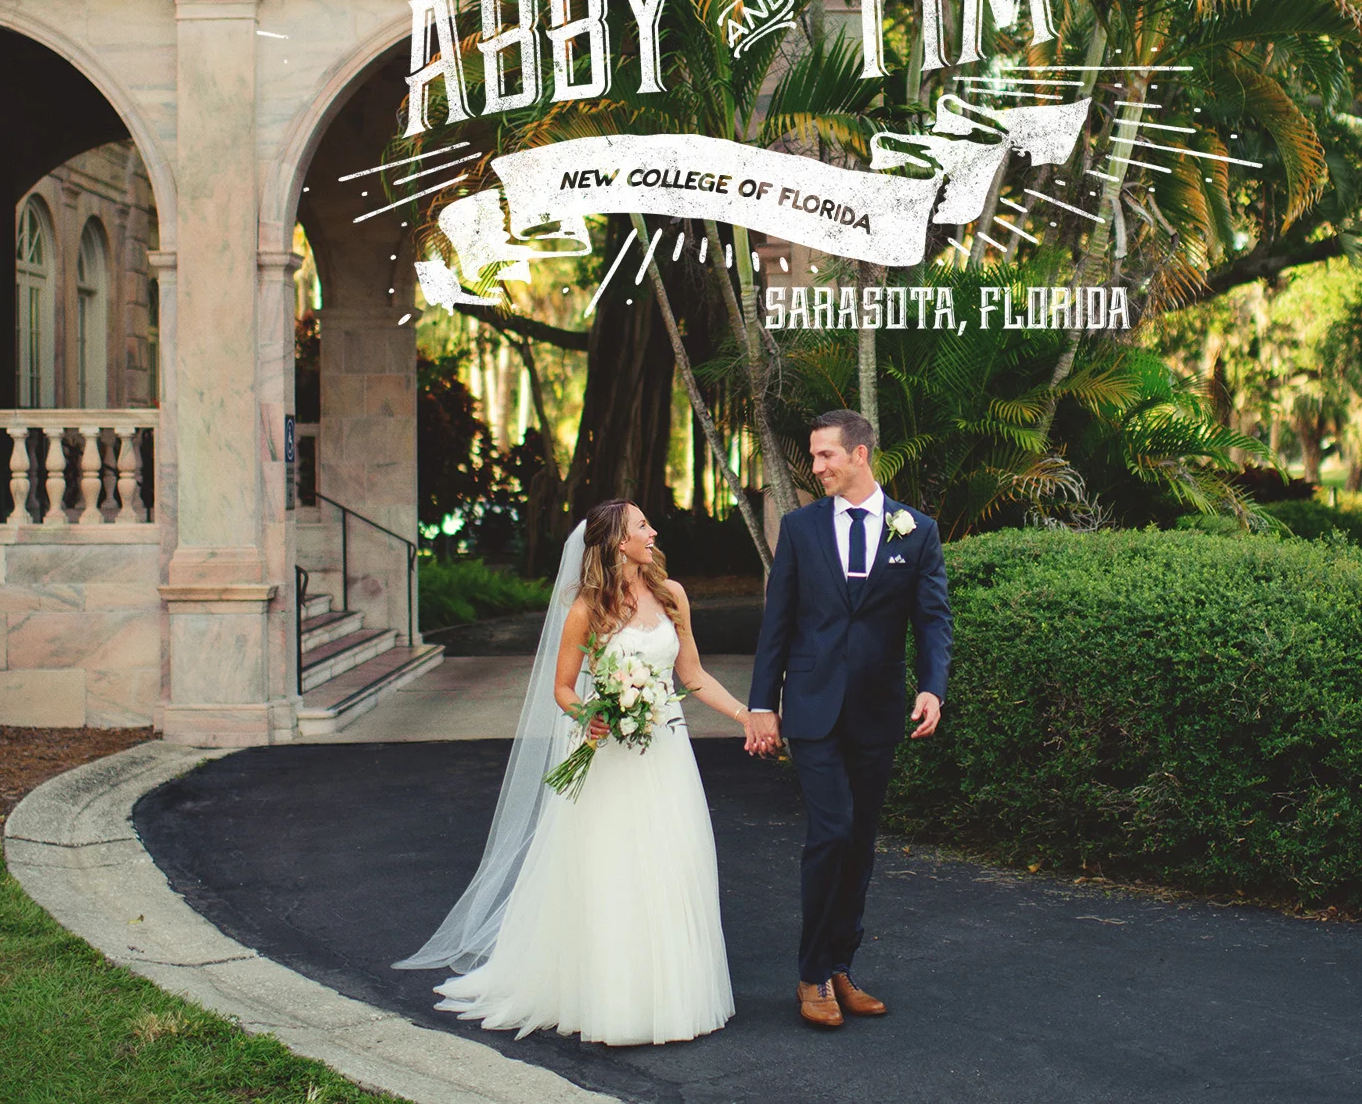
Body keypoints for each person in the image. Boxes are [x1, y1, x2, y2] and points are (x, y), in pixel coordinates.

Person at [394, 499, 755, 1046]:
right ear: (617, 543)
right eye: (642, 525)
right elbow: (563, 688)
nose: (653, 531)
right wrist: (593, 713)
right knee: (613, 871)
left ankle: (675, 994)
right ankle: (615, 999)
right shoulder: (587, 608)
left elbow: (694, 674)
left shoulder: (671, 594)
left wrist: (745, 716)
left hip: (666, 754)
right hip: (608, 758)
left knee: (673, 861)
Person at [745, 408, 954, 1029]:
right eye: (813, 457)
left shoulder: (915, 530)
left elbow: (933, 619)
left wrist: (933, 688)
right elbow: (777, 622)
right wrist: (763, 704)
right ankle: (811, 975)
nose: (816, 468)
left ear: (859, 455)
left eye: (825, 456)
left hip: (877, 711)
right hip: (812, 708)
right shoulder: (800, 529)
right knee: (832, 832)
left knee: (860, 844)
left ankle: (841, 967)